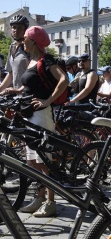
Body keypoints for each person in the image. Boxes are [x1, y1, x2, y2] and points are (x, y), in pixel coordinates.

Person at [19, 26, 69, 217]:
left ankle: (50, 201)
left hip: (41, 115)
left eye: (25, 37)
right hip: (30, 114)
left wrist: (48, 100)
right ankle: (39, 198)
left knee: (44, 160)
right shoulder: (31, 60)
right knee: (32, 160)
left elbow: (63, 79)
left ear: (34, 40)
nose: (23, 40)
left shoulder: (45, 60)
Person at [0, 15, 30, 95]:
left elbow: (35, 75)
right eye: (14, 27)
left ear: (25, 30)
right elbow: (11, 74)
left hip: (30, 96)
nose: (16, 30)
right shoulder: (12, 46)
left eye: (20, 28)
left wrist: (20, 90)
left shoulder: (29, 47)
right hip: (17, 96)